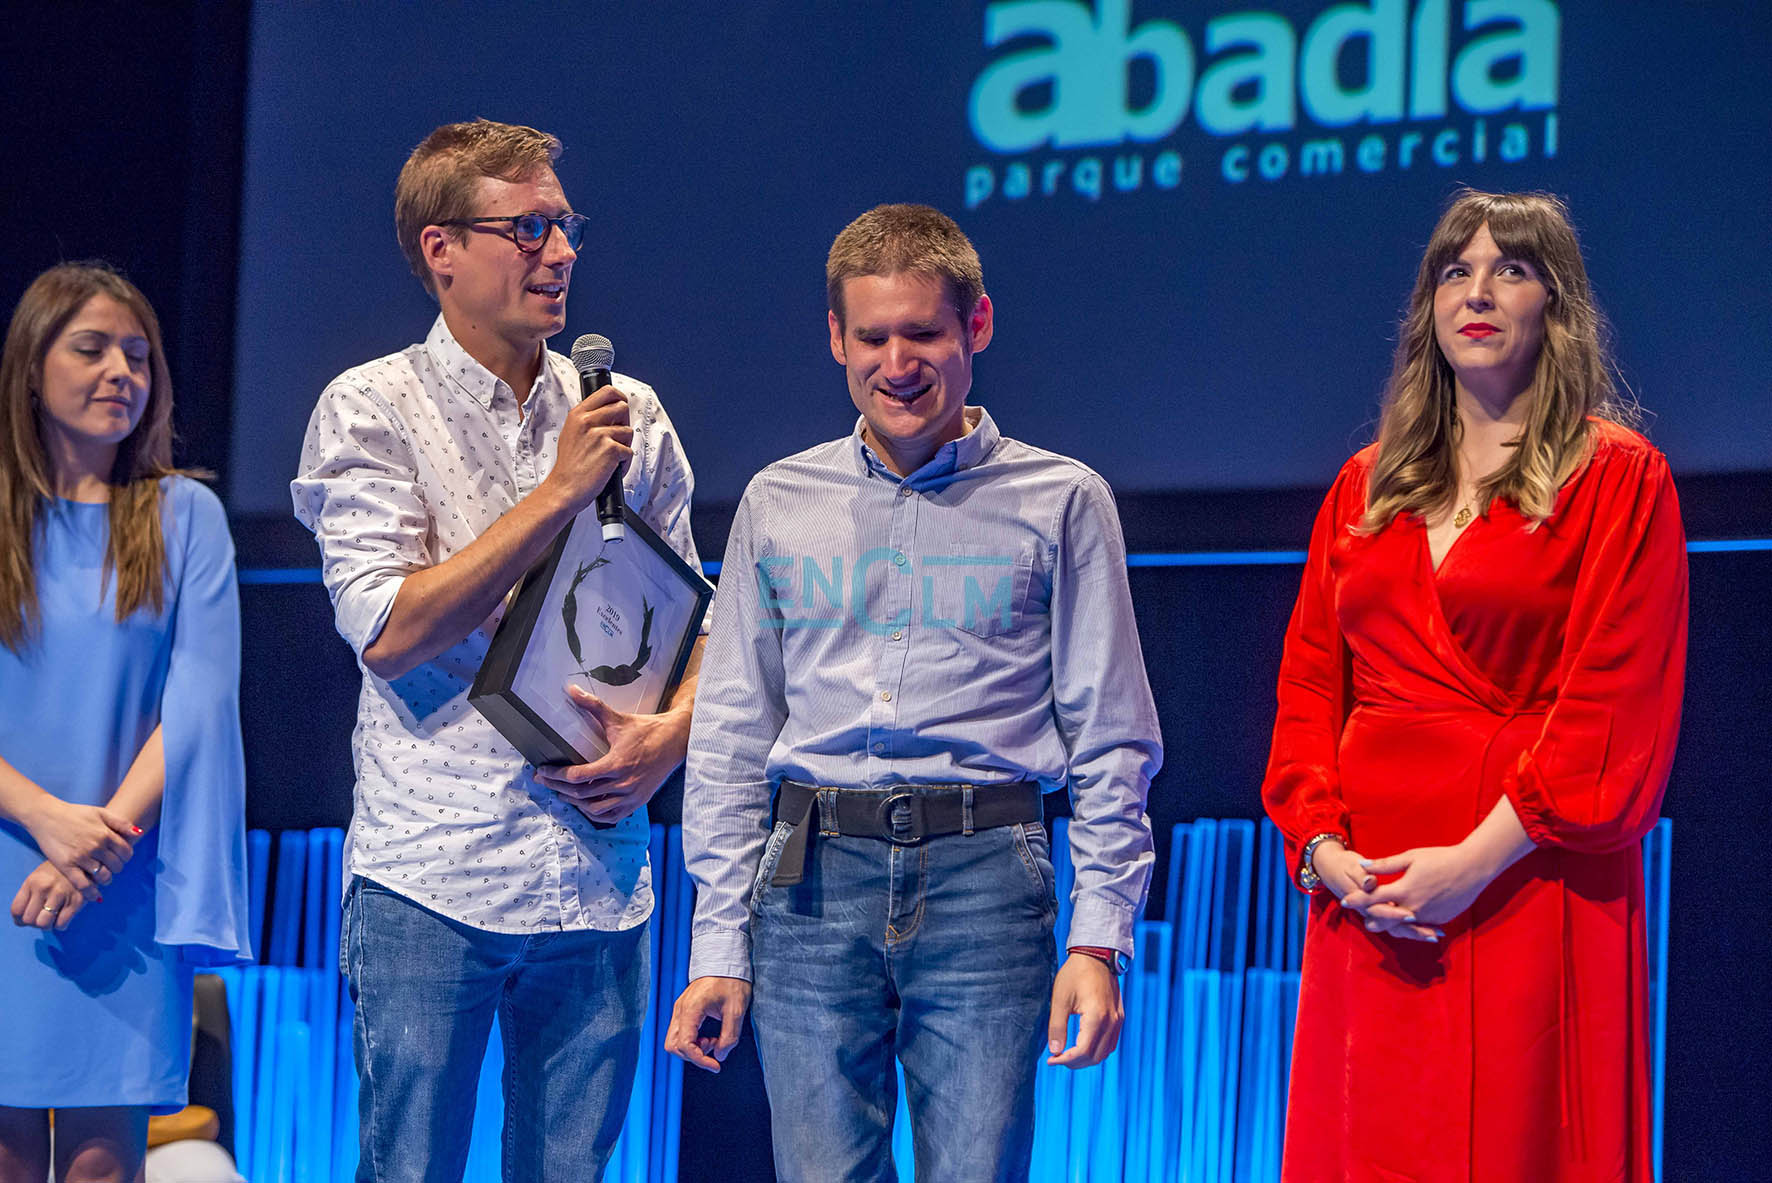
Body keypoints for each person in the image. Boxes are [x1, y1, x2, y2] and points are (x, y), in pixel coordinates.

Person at [666, 204, 1162, 1181]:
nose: (898, 361)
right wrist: (716, 940)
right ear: (836, 340)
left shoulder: (1061, 499)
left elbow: (1110, 738)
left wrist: (1098, 938)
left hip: (986, 870)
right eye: (873, 336)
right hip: (808, 872)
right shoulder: (778, 499)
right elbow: (728, 736)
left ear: (974, 327)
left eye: (923, 332)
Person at [290, 119, 703, 1181]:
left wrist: (665, 741)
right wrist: (560, 493)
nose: (560, 252)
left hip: (598, 875)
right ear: (442, 250)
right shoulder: (369, 406)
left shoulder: (630, 414)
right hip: (434, 875)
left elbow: (701, 621)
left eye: (564, 226)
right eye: (529, 228)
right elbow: (386, 629)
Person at [1262, 189, 1687, 1182]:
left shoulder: (1618, 477)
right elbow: (1308, 690)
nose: (1477, 290)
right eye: (1454, 271)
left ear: (1555, 303)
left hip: (1528, 878)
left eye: (1510, 268)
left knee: (1516, 1142)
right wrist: (1322, 852)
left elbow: (1610, 709)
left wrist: (1472, 862)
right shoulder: (1362, 486)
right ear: (1427, 310)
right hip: (1369, 895)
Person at [0, 262, 252, 1183]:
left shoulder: (186, 517)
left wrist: (94, 843)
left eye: (138, 355)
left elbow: (199, 699)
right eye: (93, 348)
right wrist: (46, 820)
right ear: (33, 367)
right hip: (8, 853)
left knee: (106, 1163)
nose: (121, 372)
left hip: (126, 873)